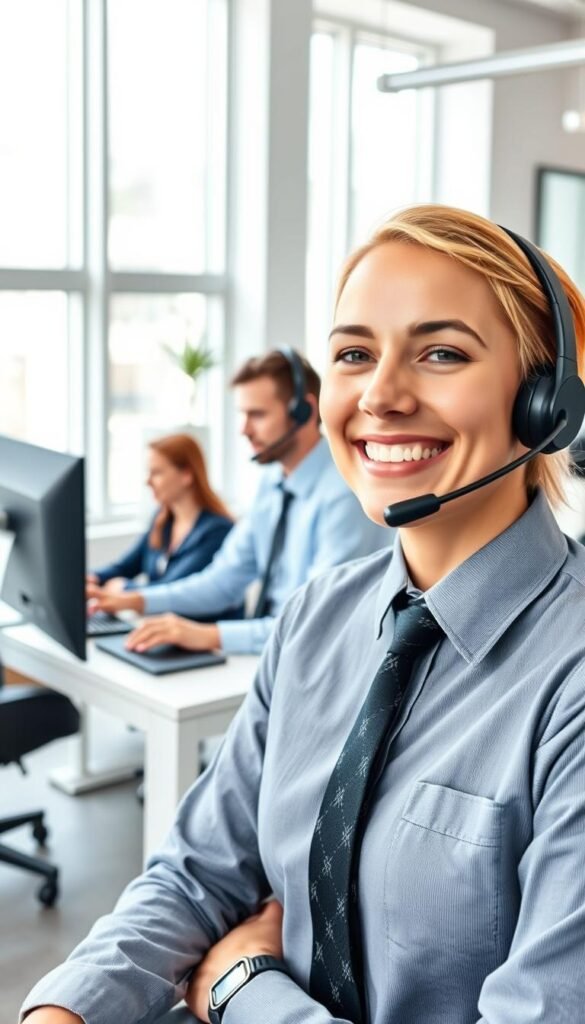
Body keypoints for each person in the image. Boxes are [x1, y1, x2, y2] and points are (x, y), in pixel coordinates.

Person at [21, 205, 585, 1024]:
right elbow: (197, 871)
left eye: (440, 353)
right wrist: (60, 1014)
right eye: (354, 354)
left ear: (544, 403)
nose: (380, 395)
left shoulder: (570, 679)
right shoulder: (317, 616)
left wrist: (243, 989)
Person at [88, 348, 388, 655]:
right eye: (243, 415)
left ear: (305, 411)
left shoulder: (345, 494)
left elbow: (318, 621)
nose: (244, 429)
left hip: (321, 657)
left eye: (257, 415)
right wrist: (137, 600)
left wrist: (207, 635)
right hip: (274, 650)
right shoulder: (271, 484)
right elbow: (223, 581)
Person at [87, 434, 236, 607]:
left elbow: (173, 591)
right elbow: (125, 566)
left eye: (156, 472)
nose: (148, 481)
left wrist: (125, 588)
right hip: (162, 626)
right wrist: (93, 579)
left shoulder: (218, 531)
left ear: (186, 475)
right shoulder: (163, 519)